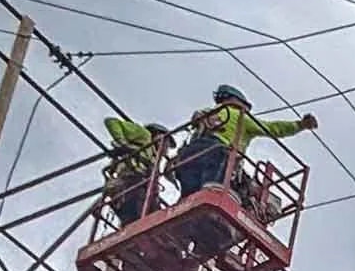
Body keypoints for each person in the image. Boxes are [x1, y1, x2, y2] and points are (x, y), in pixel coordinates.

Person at [174, 84, 319, 200]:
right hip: (218, 154)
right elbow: (273, 128)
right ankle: (212, 195)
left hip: (189, 155)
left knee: (190, 193)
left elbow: (196, 120)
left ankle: (185, 202)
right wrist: (300, 125)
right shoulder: (240, 116)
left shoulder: (210, 112)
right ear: (238, 101)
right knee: (215, 186)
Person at [101, 116, 172, 224]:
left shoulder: (154, 157)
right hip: (132, 179)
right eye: (167, 143)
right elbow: (111, 121)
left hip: (141, 186)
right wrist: (122, 142)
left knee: (151, 215)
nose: (166, 148)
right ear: (158, 135)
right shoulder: (144, 135)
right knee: (137, 212)